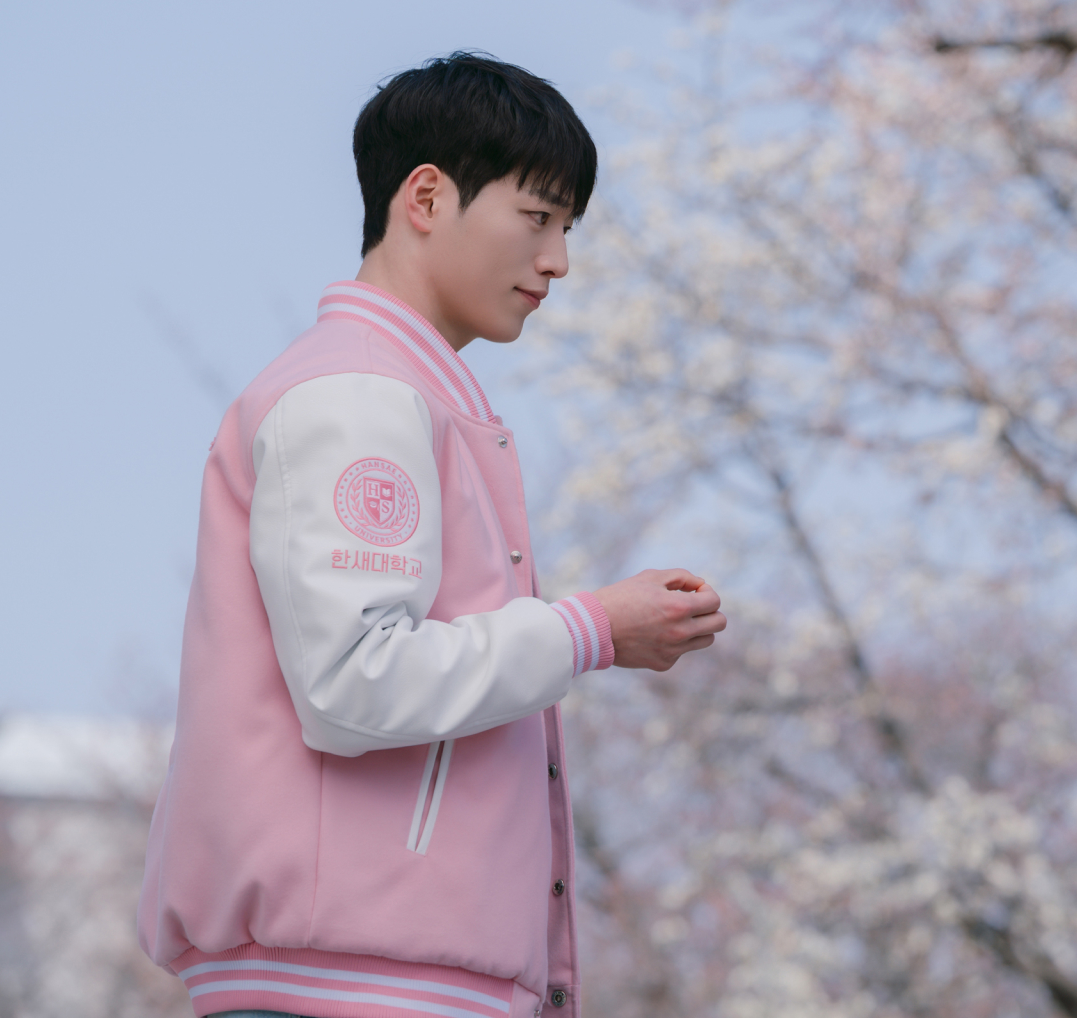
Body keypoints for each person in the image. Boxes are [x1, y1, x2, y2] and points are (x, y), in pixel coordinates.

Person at [137, 52, 727, 1018]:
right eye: (537, 218)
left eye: (568, 228)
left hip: (375, 974)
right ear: (425, 197)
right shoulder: (359, 394)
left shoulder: (405, 396)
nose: (559, 261)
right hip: (348, 983)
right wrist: (590, 630)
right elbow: (355, 679)